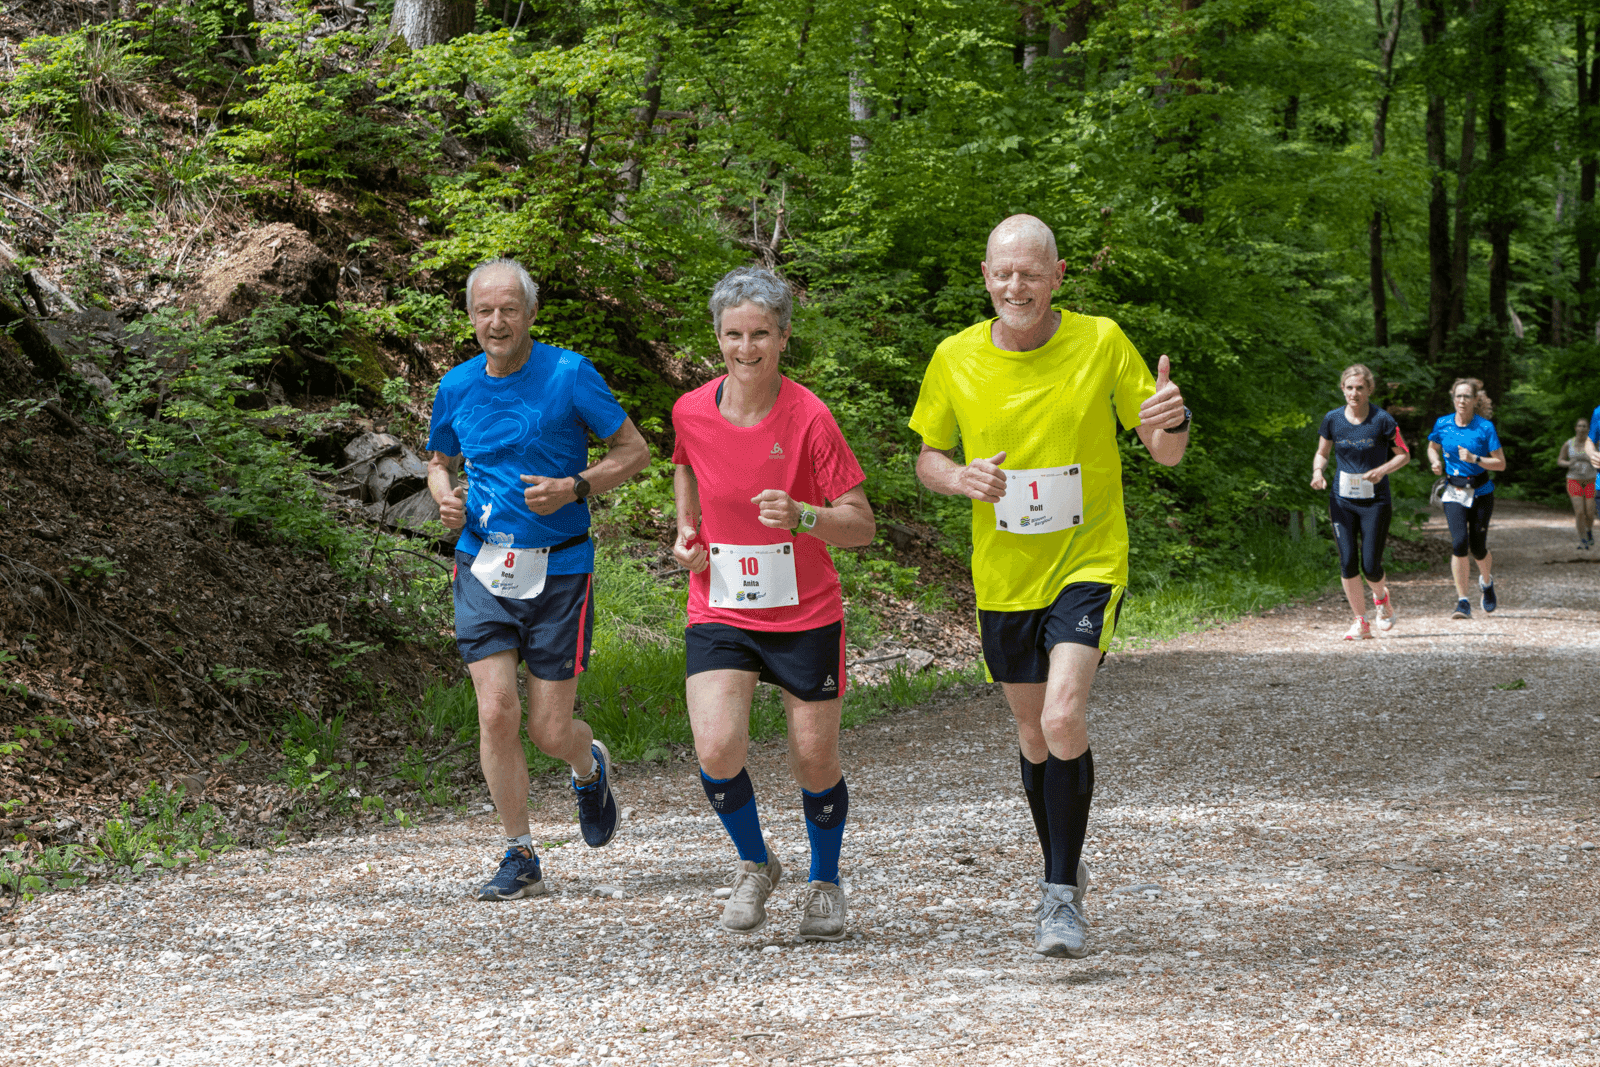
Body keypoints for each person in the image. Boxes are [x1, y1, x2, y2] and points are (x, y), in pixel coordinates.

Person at [909, 215, 1189, 959]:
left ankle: (1059, 892)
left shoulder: (1099, 341)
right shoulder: (955, 356)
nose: (1015, 286)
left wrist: (1175, 416)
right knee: (1033, 732)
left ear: (1057, 276)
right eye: (1003, 273)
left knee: (1064, 717)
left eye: (1030, 273)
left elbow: (1163, 449)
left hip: (1087, 560)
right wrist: (960, 476)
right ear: (985, 275)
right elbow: (928, 457)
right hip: (1004, 576)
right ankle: (1061, 860)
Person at [427, 258, 651, 900]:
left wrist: (575, 486)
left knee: (549, 730)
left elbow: (633, 452)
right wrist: (445, 493)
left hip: (560, 569)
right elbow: (439, 461)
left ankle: (588, 765)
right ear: (471, 317)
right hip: (481, 564)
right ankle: (519, 851)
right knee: (496, 709)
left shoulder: (569, 373)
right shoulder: (458, 385)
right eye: (484, 311)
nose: (497, 322)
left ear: (529, 313)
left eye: (509, 309)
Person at [670, 267, 875, 942]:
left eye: (761, 333)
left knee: (813, 757)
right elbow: (685, 464)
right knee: (717, 744)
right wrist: (686, 532)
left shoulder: (810, 416)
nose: (747, 347)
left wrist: (807, 516)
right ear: (718, 337)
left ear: (784, 337)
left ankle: (824, 880)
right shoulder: (691, 409)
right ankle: (756, 863)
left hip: (803, 612)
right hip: (722, 605)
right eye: (734, 334)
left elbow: (861, 523)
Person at [1309, 364, 1411, 639]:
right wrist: (1318, 472)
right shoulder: (1332, 419)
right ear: (1342, 388)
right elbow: (1322, 453)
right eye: (1349, 387)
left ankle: (1382, 600)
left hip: (1375, 501)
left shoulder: (1382, 420)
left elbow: (1404, 454)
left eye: (1360, 388)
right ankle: (1360, 621)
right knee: (1347, 561)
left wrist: (1382, 470)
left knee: (1370, 564)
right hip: (1342, 500)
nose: (1354, 393)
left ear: (1369, 390)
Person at [1427, 378, 1506, 619]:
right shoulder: (1443, 424)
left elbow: (1501, 464)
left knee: (1478, 547)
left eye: (1467, 397)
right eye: (1458, 396)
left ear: (1475, 400)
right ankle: (1462, 602)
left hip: (1481, 491)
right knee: (1459, 543)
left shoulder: (1485, 427)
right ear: (1453, 398)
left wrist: (1476, 459)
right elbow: (1432, 447)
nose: (1462, 401)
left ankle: (1486, 582)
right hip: (1454, 491)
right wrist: (1435, 461)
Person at [1558, 416, 1595, 550]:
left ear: (1588, 429)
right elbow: (1560, 460)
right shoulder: (1569, 444)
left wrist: (1590, 459)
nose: (1581, 429)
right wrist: (1568, 463)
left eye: (1584, 426)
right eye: (1579, 426)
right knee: (1579, 512)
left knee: (1590, 512)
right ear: (1575, 428)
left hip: (1590, 480)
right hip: (1573, 480)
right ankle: (1583, 539)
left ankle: (1589, 531)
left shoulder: (1593, 444)